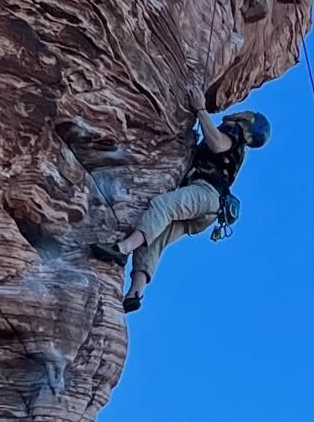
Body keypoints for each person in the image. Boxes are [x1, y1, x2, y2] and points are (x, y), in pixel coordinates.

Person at [113, 90, 271, 311]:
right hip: (209, 210)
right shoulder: (239, 151)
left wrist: (200, 109)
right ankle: (135, 293)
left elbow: (217, 144)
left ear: (248, 123)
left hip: (205, 193)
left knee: (163, 206)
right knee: (157, 236)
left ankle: (122, 248)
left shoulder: (235, 131)